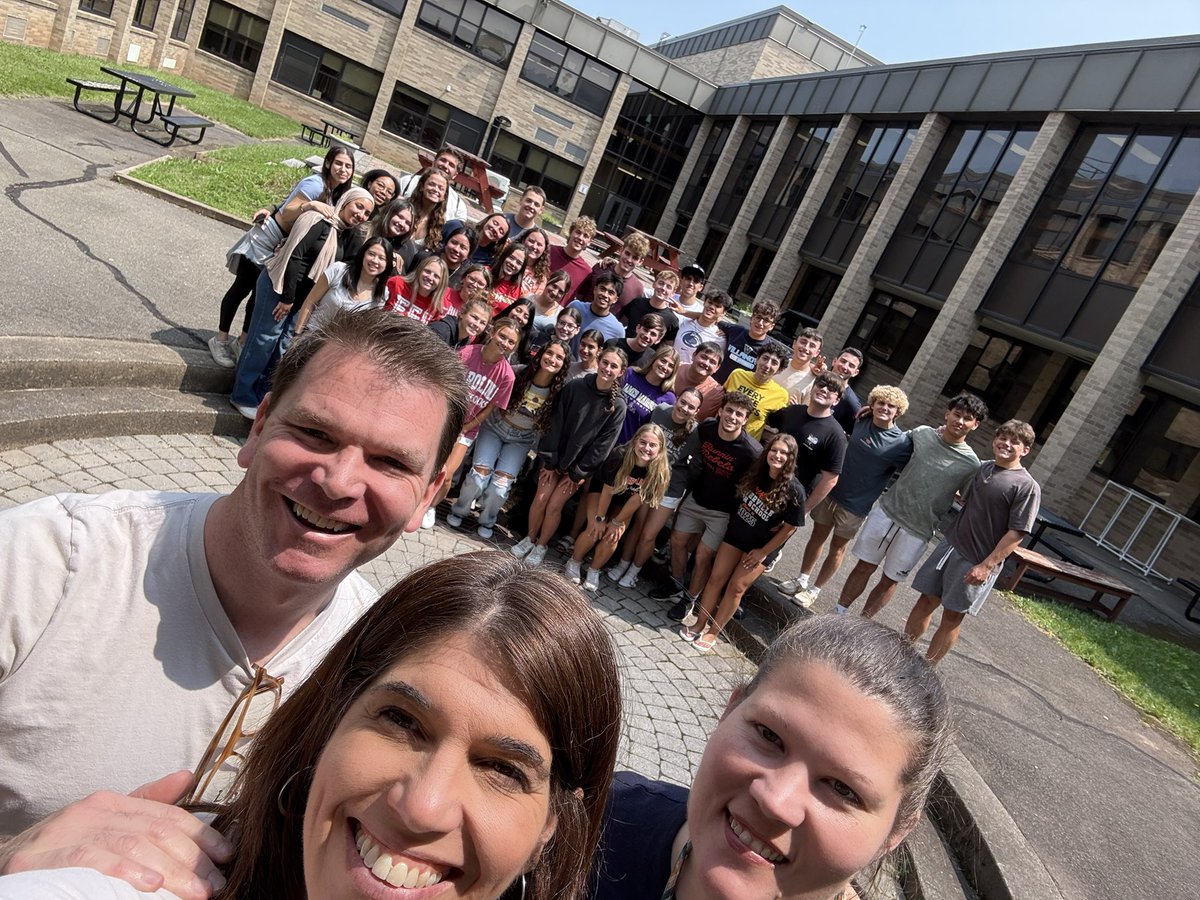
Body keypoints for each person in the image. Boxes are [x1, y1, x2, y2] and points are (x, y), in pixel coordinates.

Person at [0, 310, 468, 896]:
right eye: (316, 434)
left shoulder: (381, 661)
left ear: (428, 495)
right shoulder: (43, 565)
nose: (340, 481)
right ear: (259, 425)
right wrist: (16, 856)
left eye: (391, 462)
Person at [0, 553, 623, 900]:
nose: (423, 806)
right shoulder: (137, 885)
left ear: (550, 823)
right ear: (332, 717)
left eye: (501, 769)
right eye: (402, 721)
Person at [589, 614, 951, 900]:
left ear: (897, 830)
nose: (775, 801)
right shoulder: (601, 818)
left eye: (842, 789)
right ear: (730, 710)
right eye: (768, 735)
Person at [229, 188, 374, 418]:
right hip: (280, 287)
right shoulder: (320, 220)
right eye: (358, 206)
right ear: (346, 201)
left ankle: (261, 396)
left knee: (281, 347)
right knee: (263, 340)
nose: (361, 214)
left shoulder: (345, 233)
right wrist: (287, 298)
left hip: (302, 298)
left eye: (367, 212)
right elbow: (295, 257)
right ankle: (241, 394)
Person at [839, 393, 987, 618]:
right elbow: (890, 437)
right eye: (957, 414)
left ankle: (861, 625)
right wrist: (873, 415)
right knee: (864, 566)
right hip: (888, 512)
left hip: (918, 530)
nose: (960, 421)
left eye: (968, 418)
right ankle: (839, 612)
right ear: (947, 414)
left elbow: (968, 500)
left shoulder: (971, 464)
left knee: (890, 580)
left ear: (975, 425)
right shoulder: (922, 433)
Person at [906, 421, 1041, 663]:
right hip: (950, 546)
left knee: (952, 616)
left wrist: (986, 566)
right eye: (1003, 437)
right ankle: (901, 655)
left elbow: (1016, 533)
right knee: (926, 600)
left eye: (1015, 442)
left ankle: (925, 670)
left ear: (1025, 450)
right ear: (994, 439)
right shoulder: (984, 468)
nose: (1006, 444)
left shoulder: (1027, 486)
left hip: (976, 561)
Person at [210, 146, 356, 367]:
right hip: (268, 237)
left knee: (258, 296)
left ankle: (240, 342)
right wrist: (311, 205)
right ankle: (220, 338)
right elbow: (287, 211)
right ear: (328, 163)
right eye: (338, 163)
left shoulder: (337, 194)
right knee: (242, 287)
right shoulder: (316, 184)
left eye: (348, 166)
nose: (343, 169)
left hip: (282, 245)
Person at [783, 385, 912, 610]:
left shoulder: (902, 443)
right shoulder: (860, 421)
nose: (885, 408)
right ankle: (802, 579)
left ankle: (814, 590)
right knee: (817, 536)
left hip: (856, 505)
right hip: (832, 491)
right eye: (880, 403)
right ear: (872, 404)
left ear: (898, 411)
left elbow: (914, 464)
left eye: (891, 406)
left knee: (837, 548)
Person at [686, 433, 805, 652]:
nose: (777, 456)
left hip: (760, 547)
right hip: (736, 535)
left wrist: (763, 552)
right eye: (774, 450)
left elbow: (790, 528)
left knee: (736, 588)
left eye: (784, 453)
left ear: (791, 458)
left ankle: (713, 632)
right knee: (716, 579)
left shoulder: (795, 491)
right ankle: (700, 622)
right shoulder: (755, 471)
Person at [511, 347, 629, 568]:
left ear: (621, 372)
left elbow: (603, 445)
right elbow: (554, 422)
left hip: (577, 468)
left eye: (614, 366)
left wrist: (578, 473)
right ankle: (530, 538)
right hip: (554, 457)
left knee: (555, 505)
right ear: (599, 361)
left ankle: (541, 546)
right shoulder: (575, 386)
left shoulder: (618, 405)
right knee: (541, 499)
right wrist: (550, 459)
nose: (607, 369)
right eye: (605, 363)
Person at [651, 391, 761, 624]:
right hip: (697, 499)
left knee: (702, 556)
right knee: (678, 541)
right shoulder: (706, 430)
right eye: (729, 410)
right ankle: (677, 583)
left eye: (739, 414)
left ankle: (689, 600)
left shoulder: (751, 451)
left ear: (745, 420)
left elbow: (755, 485)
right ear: (720, 411)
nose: (732, 417)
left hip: (722, 512)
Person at [449, 339, 571, 539]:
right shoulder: (518, 372)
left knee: (500, 487)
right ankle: (459, 510)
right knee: (479, 477)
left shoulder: (559, 391)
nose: (552, 359)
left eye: (559, 358)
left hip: (521, 440)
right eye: (550, 353)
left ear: (563, 365)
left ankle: (487, 520)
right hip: (495, 428)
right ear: (541, 354)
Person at [427, 319, 522, 528]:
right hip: (446, 418)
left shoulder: (507, 376)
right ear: (492, 332)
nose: (505, 343)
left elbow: (490, 407)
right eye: (502, 336)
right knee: (429, 464)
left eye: (511, 342)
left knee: (448, 473)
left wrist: (467, 427)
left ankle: (431, 506)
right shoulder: (467, 353)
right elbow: (447, 384)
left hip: (467, 429)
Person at [565, 424, 671, 592]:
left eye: (653, 445)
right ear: (635, 441)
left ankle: (594, 569)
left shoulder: (659, 471)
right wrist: (600, 518)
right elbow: (607, 491)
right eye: (643, 442)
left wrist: (617, 522)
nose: (646, 448)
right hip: (602, 492)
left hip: (625, 500)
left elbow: (636, 500)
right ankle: (574, 561)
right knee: (595, 529)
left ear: (660, 449)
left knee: (614, 535)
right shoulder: (619, 456)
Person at [764, 371, 848, 519]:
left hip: (791, 498)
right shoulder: (792, 411)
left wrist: (804, 510)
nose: (824, 389)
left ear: (836, 401)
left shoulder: (835, 435)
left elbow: (830, 479)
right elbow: (766, 419)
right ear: (813, 388)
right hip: (764, 484)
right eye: (820, 385)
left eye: (831, 389)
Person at [292, 236, 391, 335]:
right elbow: (310, 301)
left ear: (387, 264)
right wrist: (297, 334)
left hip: (339, 348)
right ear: (363, 254)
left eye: (382, 258)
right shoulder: (338, 270)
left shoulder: (382, 293)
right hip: (311, 336)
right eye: (371, 254)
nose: (375, 260)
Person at [722, 343, 788, 440]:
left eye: (774, 363)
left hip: (745, 445)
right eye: (765, 358)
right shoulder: (737, 375)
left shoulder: (781, 395)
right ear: (757, 359)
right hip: (720, 433)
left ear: (780, 370)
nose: (767, 365)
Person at [576, 233, 649, 313]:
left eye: (635, 258)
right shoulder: (601, 267)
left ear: (640, 261)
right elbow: (580, 293)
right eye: (627, 253)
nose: (629, 260)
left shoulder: (637, 289)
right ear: (621, 250)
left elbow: (627, 318)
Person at [618, 345, 678, 443]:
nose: (665, 367)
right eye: (663, 361)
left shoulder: (669, 398)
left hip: (628, 447)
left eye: (671, 366)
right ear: (654, 359)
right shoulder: (630, 373)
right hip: (605, 435)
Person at [713, 300, 781, 383]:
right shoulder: (735, 331)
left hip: (737, 394)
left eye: (766, 320)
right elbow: (716, 319)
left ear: (771, 326)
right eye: (758, 317)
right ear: (752, 318)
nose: (760, 323)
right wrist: (724, 332)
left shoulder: (769, 349)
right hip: (715, 387)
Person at [395, 145, 469, 221]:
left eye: (451, 165)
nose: (445, 166)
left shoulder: (458, 206)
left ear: (455, 175)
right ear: (433, 163)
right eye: (443, 160)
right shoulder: (406, 182)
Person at [383, 254, 449, 324]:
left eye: (436, 276)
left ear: (441, 282)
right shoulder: (396, 283)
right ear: (420, 270)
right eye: (427, 271)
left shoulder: (436, 308)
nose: (430, 278)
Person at [566, 271, 625, 348]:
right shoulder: (575, 307)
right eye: (602, 289)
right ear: (595, 289)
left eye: (610, 293)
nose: (605, 295)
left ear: (615, 299)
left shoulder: (617, 330)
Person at [621, 269, 680, 341]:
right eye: (661, 283)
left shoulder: (672, 320)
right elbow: (621, 324)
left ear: (673, 292)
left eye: (668, 287)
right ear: (654, 284)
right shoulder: (637, 303)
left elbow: (667, 346)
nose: (663, 288)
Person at [674, 291, 731, 365]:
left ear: (723, 313)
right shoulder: (684, 322)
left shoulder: (719, 339)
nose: (712, 307)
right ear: (704, 303)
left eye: (717, 306)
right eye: (710, 302)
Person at [549, 217, 597, 305]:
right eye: (578, 232)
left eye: (585, 236)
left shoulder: (586, 272)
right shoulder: (550, 251)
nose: (580, 238)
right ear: (571, 232)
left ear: (589, 242)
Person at [673, 341, 725, 422]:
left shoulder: (716, 393)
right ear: (694, 355)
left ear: (717, 368)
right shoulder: (675, 368)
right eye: (704, 357)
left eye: (712, 362)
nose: (706, 363)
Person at [361, 196, 415, 271]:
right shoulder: (363, 231)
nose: (402, 224)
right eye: (400, 217)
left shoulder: (407, 248)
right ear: (389, 213)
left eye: (408, 223)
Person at [773, 327, 823, 403]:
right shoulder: (777, 364)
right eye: (803, 342)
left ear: (817, 353)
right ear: (794, 344)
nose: (806, 348)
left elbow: (806, 412)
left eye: (812, 346)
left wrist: (796, 409)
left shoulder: (813, 383)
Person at [407, 169, 450, 255]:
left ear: (444, 196)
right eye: (431, 184)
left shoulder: (442, 224)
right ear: (421, 187)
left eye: (441, 188)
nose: (435, 189)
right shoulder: (405, 209)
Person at [489, 243, 529, 309]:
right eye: (511, 258)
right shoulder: (485, 273)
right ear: (504, 256)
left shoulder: (518, 291)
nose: (513, 263)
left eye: (518, 263)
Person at [519, 226, 552, 297]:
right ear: (523, 240)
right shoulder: (510, 259)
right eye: (531, 241)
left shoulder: (541, 279)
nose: (534, 246)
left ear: (544, 250)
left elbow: (532, 301)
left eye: (539, 245)